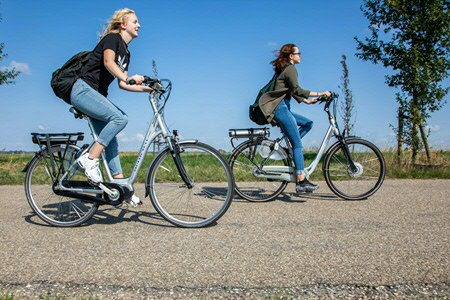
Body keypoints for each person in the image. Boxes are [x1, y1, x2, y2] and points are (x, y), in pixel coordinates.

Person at [71, 8, 152, 206]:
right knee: (120, 118)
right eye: (135, 21)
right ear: (123, 24)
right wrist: (127, 77)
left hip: (96, 96)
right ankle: (89, 159)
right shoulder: (112, 39)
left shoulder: (126, 52)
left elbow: (123, 84)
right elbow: (108, 63)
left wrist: (148, 89)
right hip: (83, 90)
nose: (139, 25)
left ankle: (121, 187)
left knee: (111, 141)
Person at [259, 43, 331, 194]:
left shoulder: (285, 69)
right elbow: (297, 89)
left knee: (308, 124)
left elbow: (291, 90)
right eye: (298, 53)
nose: (300, 55)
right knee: (297, 144)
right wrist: (321, 93)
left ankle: (287, 149)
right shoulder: (291, 68)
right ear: (291, 56)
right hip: (281, 109)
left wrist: (306, 101)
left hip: (283, 108)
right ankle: (301, 181)